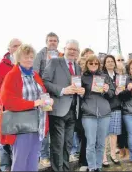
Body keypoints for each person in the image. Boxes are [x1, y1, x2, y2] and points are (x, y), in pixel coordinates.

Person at [0, 44, 53, 171]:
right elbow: (7, 101)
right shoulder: (12, 75)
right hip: (21, 127)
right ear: (18, 58)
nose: (29, 59)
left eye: (31, 57)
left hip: (38, 124)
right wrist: (34, 103)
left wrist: (48, 101)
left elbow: (42, 93)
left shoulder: (35, 75)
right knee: (20, 162)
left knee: (33, 161)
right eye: (25, 57)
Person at [42, 39, 84, 171]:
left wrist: (81, 91)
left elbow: (77, 86)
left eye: (75, 50)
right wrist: (62, 90)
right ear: (64, 49)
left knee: (68, 144)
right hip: (58, 110)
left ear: (78, 52)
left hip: (73, 111)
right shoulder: (55, 62)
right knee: (57, 145)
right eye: (70, 49)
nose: (72, 51)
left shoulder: (77, 66)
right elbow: (45, 81)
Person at [0, 38, 22, 172]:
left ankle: (17, 166)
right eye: (15, 46)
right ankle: (5, 167)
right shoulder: (1, 66)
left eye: (20, 46)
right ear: (9, 49)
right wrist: (4, 102)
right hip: (6, 109)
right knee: (4, 139)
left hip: (22, 109)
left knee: (18, 139)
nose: (18, 48)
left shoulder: (25, 65)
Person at [33, 32, 63, 168]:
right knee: (44, 125)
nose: (52, 42)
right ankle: (43, 156)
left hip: (59, 95)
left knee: (56, 125)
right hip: (44, 94)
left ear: (58, 43)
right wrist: (42, 89)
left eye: (55, 41)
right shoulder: (40, 54)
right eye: (50, 40)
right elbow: (35, 73)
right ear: (46, 42)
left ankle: (55, 155)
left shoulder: (61, 55)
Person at [80, 54, 115, 171]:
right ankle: (92, 167)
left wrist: (106, 90)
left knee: (101, 143)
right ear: (87, 64)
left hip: (104, 113)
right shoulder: (82, 77)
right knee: (90, 143)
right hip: (88, 114)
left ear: (99, 65)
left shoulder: (105, 76)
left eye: (96, 63)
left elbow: (112, 94)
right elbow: (78, 95)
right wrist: (81, 92)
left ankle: (98, 166)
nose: (94, 65)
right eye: (91, 63)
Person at [101, 55, 122, 167]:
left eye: (111, 61)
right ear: (104, 64)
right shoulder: (101, 76)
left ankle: (113, 155)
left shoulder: (119, 76)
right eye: (107, 61)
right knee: (104, 134)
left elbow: (122, 93)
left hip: (116, 107)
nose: (110, 63)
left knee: (114, 133)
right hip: (105, 107)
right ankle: (104, 157)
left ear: (114, 63)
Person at [115, 63, 129, 160]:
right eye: (117, 69)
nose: (119, 71)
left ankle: (127, 150)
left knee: (126, 129)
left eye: (121, 69)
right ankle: (121, 149)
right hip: (116, 105)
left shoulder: (127, 78)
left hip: (126, 105)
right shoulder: (112, 79)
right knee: (118, 130)